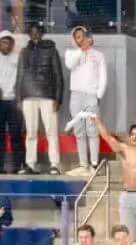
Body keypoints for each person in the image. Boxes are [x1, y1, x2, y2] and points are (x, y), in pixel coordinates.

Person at [17, 22, 62, 175]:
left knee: (51, 131)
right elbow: (20, 76)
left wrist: (58, 98)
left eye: (37, 32)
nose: (35, 34)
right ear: (29, 34)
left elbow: (58, 75)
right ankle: (31, 163)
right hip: (28, 96)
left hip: (47, 96)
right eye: (32, 32)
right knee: (31, 132)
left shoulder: (51, 50)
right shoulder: (24, 52)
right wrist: (19, 98)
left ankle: (54, 164)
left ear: (41, 33)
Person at [62, 27, 105, 175]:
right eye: (77, 37)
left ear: (88, 37)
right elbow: (70, 65)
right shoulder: (71, 53)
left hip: (91, 95)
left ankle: (94, 164)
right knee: (79, 131)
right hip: (76, 96)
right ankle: (83, 165)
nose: (80, 39)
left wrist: (98, 94)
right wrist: (81, 50)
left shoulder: (98, 55)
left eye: (82, 36)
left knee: (92, 130)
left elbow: (103, 76)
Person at [0, 31, 22, 175]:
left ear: (13, 44)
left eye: (8, 42)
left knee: (16, 135)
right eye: (3, 42)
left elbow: (21, 79)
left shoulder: (18, 58)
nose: (6, 45)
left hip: (14, 103)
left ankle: (18, 165)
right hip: (0, 103)